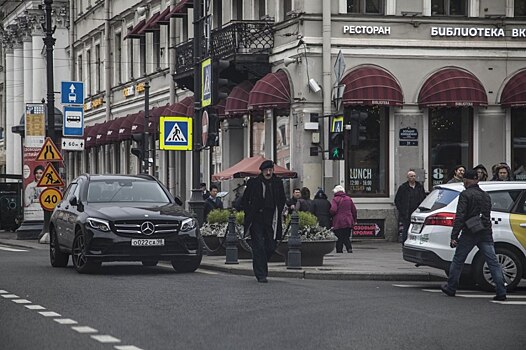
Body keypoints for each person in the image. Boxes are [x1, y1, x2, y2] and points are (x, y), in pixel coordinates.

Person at [440, 169, 507, 301]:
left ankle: (451, 287)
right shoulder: (486, 195)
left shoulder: (465, 195)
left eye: (465, 180)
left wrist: (454, 235)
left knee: (458, 259)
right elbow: (487, 215)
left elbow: (460, 216)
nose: (464, 183)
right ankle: (501, 291)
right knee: (492, 262)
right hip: (485, 232)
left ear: (467, 180)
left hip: (470, 232)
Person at [240, 160, 286, 283]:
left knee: (271, 246)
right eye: (266, 170)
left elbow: (282, 199)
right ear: (262, 171)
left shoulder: (277, 183)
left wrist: (279, 210)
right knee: (259, 245)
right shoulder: (254, 183)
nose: (268, 172)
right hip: (257, 218)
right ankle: (261, 274)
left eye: (270, 170)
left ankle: (261, 263)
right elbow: (245, 200)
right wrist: (249, 211)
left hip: (271, 218)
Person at [394, 170, 427, 245]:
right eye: (411, 176)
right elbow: (397, 200)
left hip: (417, 212)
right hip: (406, 212)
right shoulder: (403, 187)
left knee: (417, 229)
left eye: (414, 176)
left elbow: (423, 198)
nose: (413, 178)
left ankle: (416, 243)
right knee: (406, 228)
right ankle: (405, 242)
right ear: (408, 178)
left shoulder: (419, 187)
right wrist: (401, 210)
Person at [330, 185, 357, 253]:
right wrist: (354, 219)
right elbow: (354, 210)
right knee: (346, 236)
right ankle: (349, 248)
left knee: (339, 237)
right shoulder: (348, 198)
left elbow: (333, 210)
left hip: (338, 221)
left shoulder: (335, 199)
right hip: (348, 220)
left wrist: (330, 214)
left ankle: (339, 250)